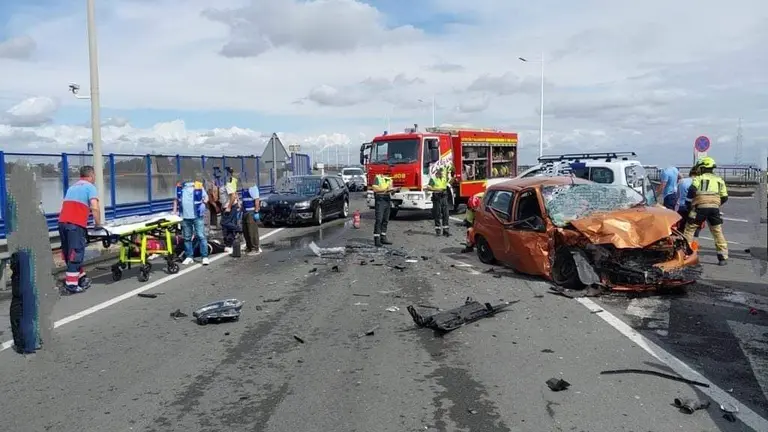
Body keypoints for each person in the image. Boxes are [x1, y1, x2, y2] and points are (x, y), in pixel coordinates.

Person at [57, 166, 101, 294]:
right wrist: (97, 224)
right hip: (75, 225)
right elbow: (95, 207)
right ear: (91, 175)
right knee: (76, 253)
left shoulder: (72, 187)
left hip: (62, 223)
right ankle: (71, 285)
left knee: (68, 253)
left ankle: (80, 277)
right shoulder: (90, 187)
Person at [683, 156, 729, 265]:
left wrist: (689, 205)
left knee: (689, 230)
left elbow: (692, 191)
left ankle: (686, 254)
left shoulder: (698, 179)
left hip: (699, 208)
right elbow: (725, 197)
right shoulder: (719, 180)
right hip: (714, 209)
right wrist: (715, 204)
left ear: (702, 168)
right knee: (717, 231)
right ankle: (722, 257)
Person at [172, 178, 210, 265]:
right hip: (185, 217)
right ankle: (189, 256)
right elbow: (176, 200)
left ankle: (204, 257)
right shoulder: (179, 187)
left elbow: (206, 197)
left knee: (201, 236)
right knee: (187, 238)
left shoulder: (198, 185)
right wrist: (174, 213)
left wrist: (204, 203)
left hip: (197, 216)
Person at [219, 167, 241, 253]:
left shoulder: (228, 183)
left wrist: (228, 207)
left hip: (230, 207)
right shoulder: (231, 181)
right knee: (229, 226)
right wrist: (238, 202)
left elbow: (232, 195)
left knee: (224, 223)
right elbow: (235, 193)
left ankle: (239, 229)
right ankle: (229, 244)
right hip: (230, 206)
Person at [676, 167, 701, 237]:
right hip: (693, 207)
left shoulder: (681, 181)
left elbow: (677, 195)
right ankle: (693, 243)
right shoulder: (697, 182)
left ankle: (680, 243)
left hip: (681, 207)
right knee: (694, 227)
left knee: (681, 227)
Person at [371, 173, 394, 247]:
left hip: (387, 199)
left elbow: (391, 191)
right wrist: (385, 189)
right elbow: (374, 189)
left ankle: (383, 237)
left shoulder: (390, 179)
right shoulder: (377, 178)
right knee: (379, 220)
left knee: (385, 219)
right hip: (380, 199)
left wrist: (394, 190)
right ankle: (377, 239)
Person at [240, 181, 262, 255]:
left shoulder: (252, 187)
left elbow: (257, 200)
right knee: (245, 231)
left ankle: (255, 249)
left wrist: (256, 212)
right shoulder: (244, 188)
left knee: (252, 232)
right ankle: (249, 247)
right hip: (245, 212)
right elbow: (244, 200)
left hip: (251, 212)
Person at [427, 167, 450, 237]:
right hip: (437, 198)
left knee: (446, 214)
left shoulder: (444, 178)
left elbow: (447, 185)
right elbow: (428, 187)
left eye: (442, 173)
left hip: (444, 197)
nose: (442, 174)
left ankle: (446, 231)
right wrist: (437, 189)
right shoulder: (433, 179)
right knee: (437, 214)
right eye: (441, 173)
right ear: (438, 173)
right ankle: (438, 231)